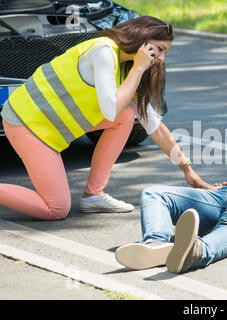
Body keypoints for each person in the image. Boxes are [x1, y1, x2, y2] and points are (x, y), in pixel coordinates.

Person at [0, 16, 216, 221]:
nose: (161, 59)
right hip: (25, 122)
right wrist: (139, 67)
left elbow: (156, 128)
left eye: (164, 53)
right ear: (142, 40)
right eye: (160, 50)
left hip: (49, 129)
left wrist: (189, 172)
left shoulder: (127, 69)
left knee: (127, 115)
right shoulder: (103, 51)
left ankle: (93, 195)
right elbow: (110, 110)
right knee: (56, 209)